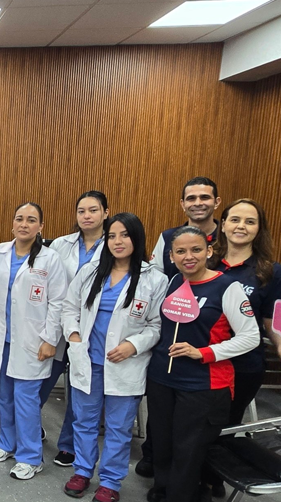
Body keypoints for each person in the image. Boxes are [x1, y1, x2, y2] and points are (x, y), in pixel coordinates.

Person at [145, 227, 259, 502]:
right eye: (180, 251)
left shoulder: (227, 287)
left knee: (189, 449)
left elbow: (251, 337)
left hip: (203, 385)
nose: (188, 256)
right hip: (162, 379)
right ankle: (163, 489)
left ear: (209, 251)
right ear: (171, 256)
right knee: (162, 442)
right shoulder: (173, 282)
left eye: (196, 249)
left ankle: (180, 496)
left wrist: (204, 352)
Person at [60, 213, 168, 502]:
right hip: (88, 360)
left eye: (125, 235)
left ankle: (110, 481)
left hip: (125, 363)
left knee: (119, 428)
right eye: (111, 236)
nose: (117, 241)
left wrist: (133, 345)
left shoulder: (154, 279)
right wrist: (73, 335)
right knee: (84, 422)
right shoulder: (90, 272)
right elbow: (69, 308)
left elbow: (157, 325)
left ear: (137, 238)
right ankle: (83, 471)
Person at [139, 176, 221, 477]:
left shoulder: (227, 235)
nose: (198, 203)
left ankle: (204, 475)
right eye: (191, 198)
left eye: (204, 197)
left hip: (210, 341)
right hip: (169, 340)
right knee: (162, 412)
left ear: (216, 202)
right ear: (182, 204)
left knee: (201, 425)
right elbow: (155, 280)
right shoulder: (167, 237)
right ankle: (156, 460)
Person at [203, 199, 281, 496]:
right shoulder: (205, 262)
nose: (241, 226)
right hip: (203, 361)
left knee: (224, 425)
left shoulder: (271, 272)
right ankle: (192, 475)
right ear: (222, 224)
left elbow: (275, 320)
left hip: (244, 366)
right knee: (197, 423)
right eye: (235, 220)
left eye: (250, 221)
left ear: (259, 229)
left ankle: (212, 479)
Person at [0, 202, 69, 480]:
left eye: (31, 220)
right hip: (4, 338)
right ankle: (6, 443)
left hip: (34, 340)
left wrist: (50, 339)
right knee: (5, 395)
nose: (24, 224)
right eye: (19, 218)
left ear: (41, 226)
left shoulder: (50, 259)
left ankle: (31, 456)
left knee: (26, 399)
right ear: (12, 223)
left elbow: (58, 302)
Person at [45, 190, 109, 467]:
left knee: (80, 390)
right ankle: (29, 430)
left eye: (93, 210)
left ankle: (68, 445)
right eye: (81, 211)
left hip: (93, 327)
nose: (87, 216)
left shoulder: (114, 245)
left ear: (105, 213)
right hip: (60, 323)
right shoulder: (61, 244)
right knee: (40, 382)